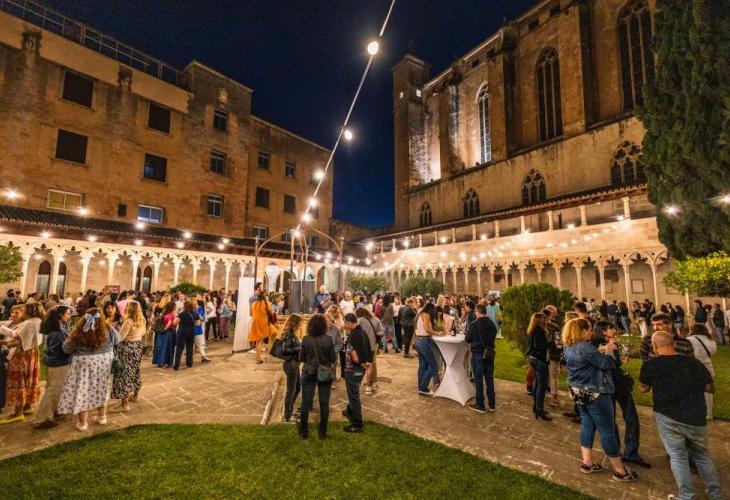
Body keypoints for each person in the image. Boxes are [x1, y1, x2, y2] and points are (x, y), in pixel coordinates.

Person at [639, 331, 724, 500]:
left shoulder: (651, 365)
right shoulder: (693, 363)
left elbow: (643, 388)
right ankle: (716, 494)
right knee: (702, 455)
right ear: (674, 344)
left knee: (678, 456)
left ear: (654, 347)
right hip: (695, 416)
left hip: (668, 416)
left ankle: (687, 495)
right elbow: (710, 388)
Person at [563, 318, 637, 481]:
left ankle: (587, 463)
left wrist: (600, 351)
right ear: (582, 331)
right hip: (595, 393)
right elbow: (606, 364)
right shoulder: (586, 347)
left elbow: (586, 361)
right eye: (589, 329)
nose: (591, 332)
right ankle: (620, 471)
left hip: (578, 392)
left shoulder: (568, 346)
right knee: (607, 430)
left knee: (587, 425)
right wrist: (609, 350)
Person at [593, 321, 650, 468]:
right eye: (611, 328)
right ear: (603, 331)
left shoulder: (614, 343)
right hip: (607, 386)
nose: (614, 330)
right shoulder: (595, 345)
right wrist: (609, 350)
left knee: (631, 417)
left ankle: (631, 451)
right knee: (611, 420)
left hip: (620, 385)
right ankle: (615, 450)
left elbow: (615, 364)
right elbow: (603, 365)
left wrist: (620, 359)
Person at [57, 308, 119, 431]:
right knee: (101, 387)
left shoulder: (79, 331)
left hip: (84, 364)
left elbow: (66, 348)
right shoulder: (108, 328)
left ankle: (83, 423)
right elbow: (117, 340)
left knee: (82, 390)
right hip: (103, 362)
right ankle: (102, 417)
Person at [0, 303, 44, 424]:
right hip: (32, 353)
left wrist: (3, 342)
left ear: (28, 311)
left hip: (22, 355)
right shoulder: (38, 321)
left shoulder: (29, 323)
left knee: (19, 381)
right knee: (29, 379)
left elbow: (16, 338)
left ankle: (18, 414)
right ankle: (27, 406)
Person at [33, 305, 72, 429]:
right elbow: (62, 349)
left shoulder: (56, 327)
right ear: (60, 315)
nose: (69, 315)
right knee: (53, 390)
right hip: (59, 363)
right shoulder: (57, 331)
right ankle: (42, 418)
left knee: (53, 388)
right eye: (68, 313)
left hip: (54, 362)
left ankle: (54, 411)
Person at [298, 313, 336, 439]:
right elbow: (333, 358)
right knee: (324, 403)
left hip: (308, 372)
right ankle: (322, 432)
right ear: (324, 326)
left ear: (310, 325)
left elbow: (301, 357)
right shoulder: (329, 339)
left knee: (305, 402)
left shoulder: (306, 339)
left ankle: (304, 432)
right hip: (324, 372)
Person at [111, 301, 146, 411]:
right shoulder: (142, 320)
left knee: (124, 374)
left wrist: (114, 330)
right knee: (135, 371)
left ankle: (124, 404)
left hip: (127, 348)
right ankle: (135, 395)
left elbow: (120, 338)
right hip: (137, 346)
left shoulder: (128, 322)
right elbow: (143, 333)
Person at [341, 313, 373, 433]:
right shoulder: (362, 332)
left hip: (353, 370)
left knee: (354, 397)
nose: (344, 326)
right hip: (360, 370)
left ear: (349, 323)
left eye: (345, 323)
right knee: (353, 393)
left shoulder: (352, 336)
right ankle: (349, 411)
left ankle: (357, 424)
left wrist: (360, 363)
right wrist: (365, 364)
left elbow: (354, 358)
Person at [465, 304, 498, 413]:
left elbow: (467, 339)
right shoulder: (492, 323)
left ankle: (480, 405)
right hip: (489, 354)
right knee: (489, 379)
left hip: (478, 354)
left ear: (477, 312)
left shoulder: (474, 324)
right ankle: (492, 404)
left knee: (478, 380)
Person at [687, 324, 717, 420]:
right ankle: (709, 413)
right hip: (707, 366)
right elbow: (713, 352)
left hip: (693, 367)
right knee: (708, 392)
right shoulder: (711, 340)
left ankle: (694, 411)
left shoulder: (689, 340)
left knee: (692, 390)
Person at [414, 303, 445, 396]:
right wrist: (438, 333)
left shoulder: (419, 314)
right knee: (433, 365)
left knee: (423, 366)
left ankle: (421, 387)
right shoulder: (426, 315)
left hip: (419, 341)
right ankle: (423, 387)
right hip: (424, 341)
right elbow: (427, 329)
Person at [526, 312, 551, 420]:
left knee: (537, 383)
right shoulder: (538, 331)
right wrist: (551, 343)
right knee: (542, 385)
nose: (547, 321)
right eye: (545, 319)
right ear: (540, 320)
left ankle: (536, 407)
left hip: (533, 358)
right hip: (539, 359)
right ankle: (539, 409)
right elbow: (538, 346)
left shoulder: (533, 329)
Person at [280, 314, 302, 423]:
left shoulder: (292, 333)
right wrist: (299, 348)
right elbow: (285, 349)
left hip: (295, 364)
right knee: (291, 391)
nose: (301, 325)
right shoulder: (288, 334)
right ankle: (287, 417)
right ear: (295, 323)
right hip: (291, 365)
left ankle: (289, 410)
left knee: (297, 388)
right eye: (299, 323)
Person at [356, 307, 382, 395]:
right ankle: (373, 382)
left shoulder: (359, 320)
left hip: (362, 346)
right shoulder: (376, 320)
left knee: (362, 365)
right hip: (373, 346)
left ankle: (366, 383)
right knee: (372, 364)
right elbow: (380, 333)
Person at [249, 288, 274, 364]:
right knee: (260, 341)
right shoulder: (265, 303)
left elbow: (251, 313)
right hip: (263, 323)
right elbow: (272, 312)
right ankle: (258, 359)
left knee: (258, 341)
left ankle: (258, 358)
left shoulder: (253, 304)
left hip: (255, 323)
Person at [173, 300, 200, 370]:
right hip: (191, 332)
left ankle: (176, 365)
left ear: (184, 306)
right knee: (190, 348)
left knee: (179, 348)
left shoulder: (182, 314)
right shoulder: (194, 314)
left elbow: (175, 323)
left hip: (182, 332)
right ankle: (189, 363)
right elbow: (198, 323)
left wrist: (176, 316)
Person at [152, 302, 176, 368]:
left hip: (161, 332)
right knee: (167, 348)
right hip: (168, 332)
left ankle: (159, 362)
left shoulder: (164, 313)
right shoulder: (171, 314)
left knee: (160, 347)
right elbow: (169, 323)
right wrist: (164, 329)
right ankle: (166, 363)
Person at [194, 299, 211, 364]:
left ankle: (204, 357)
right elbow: (200, 319)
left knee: (199, 344)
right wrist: (199, 318)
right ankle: (204, 357)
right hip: (195, 329)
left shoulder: (199, 308)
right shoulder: (191, 311)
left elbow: (202, 317)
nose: (196, 303)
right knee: (198, 344)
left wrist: (200, 318)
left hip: (197, 329)